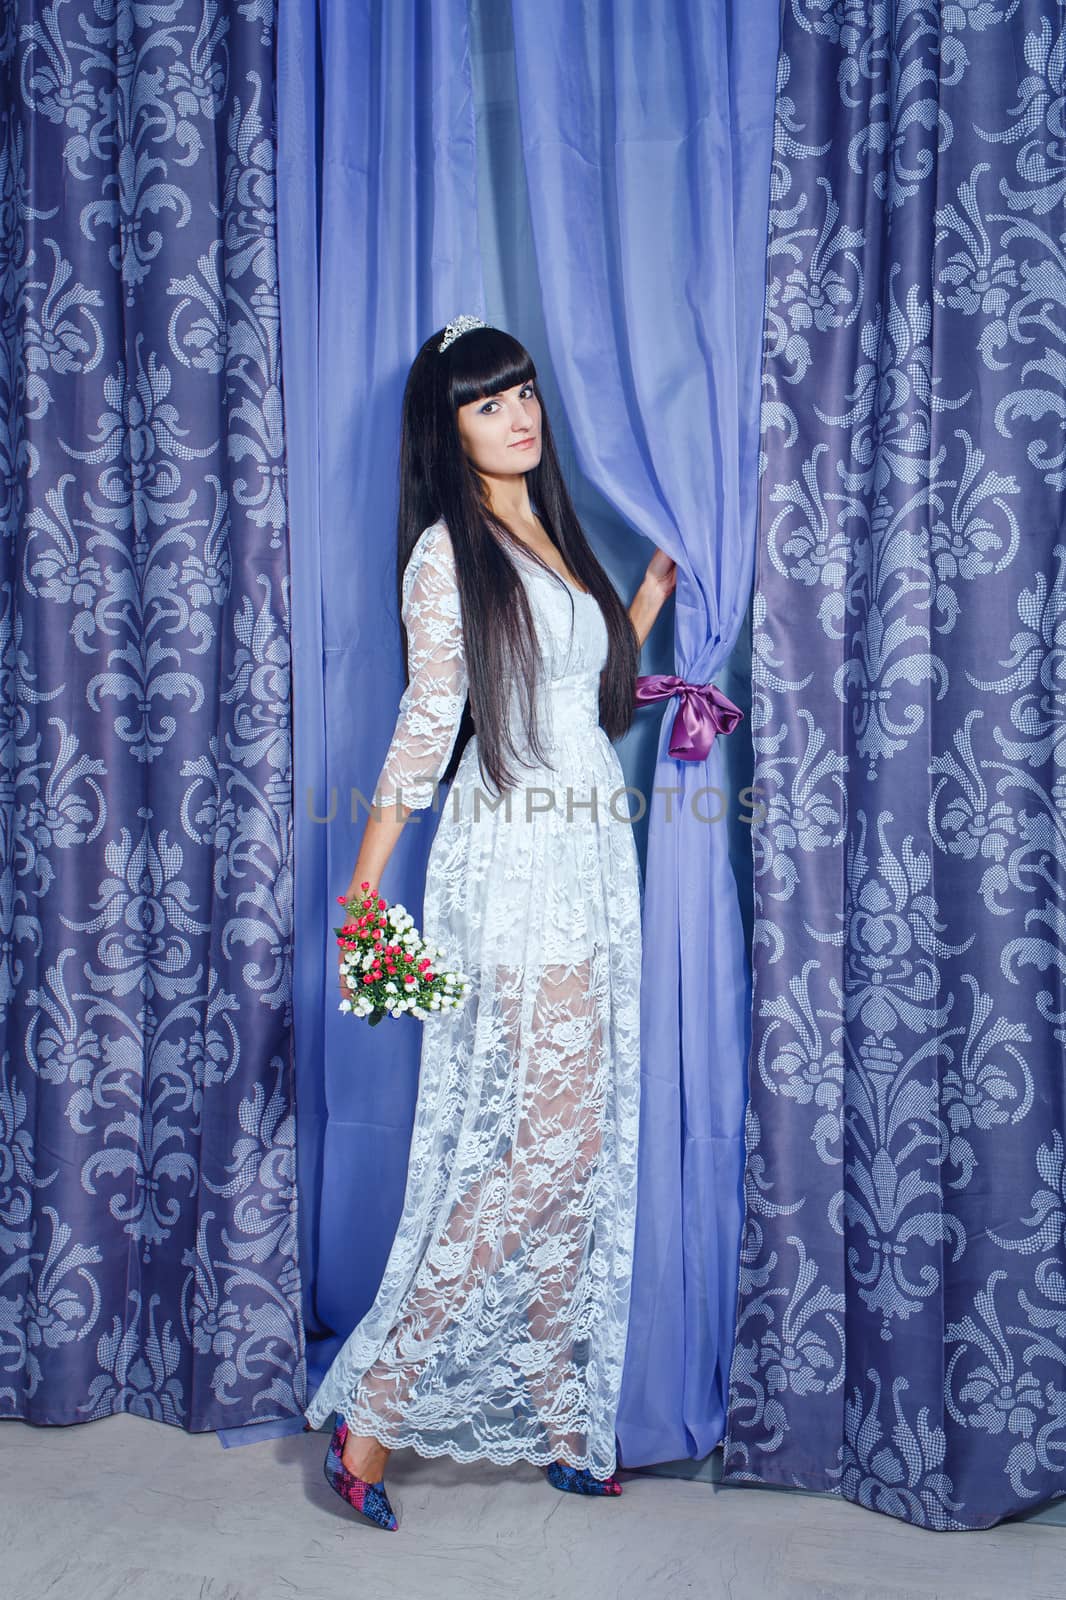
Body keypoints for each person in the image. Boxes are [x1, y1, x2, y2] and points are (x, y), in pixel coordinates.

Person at [304, 315, 677, 1531]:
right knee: (535, 1144)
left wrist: (653, 595)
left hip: (584, 853)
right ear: (445, 426)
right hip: (509, 857)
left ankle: (569, 1421)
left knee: (581, 1139)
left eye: (521, 390)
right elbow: (425, 730)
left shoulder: (551, 531)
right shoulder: (440, 557)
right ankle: (375, 1410)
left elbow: (584, 691)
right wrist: (367, 892)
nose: (518, 413)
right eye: (486, 401)